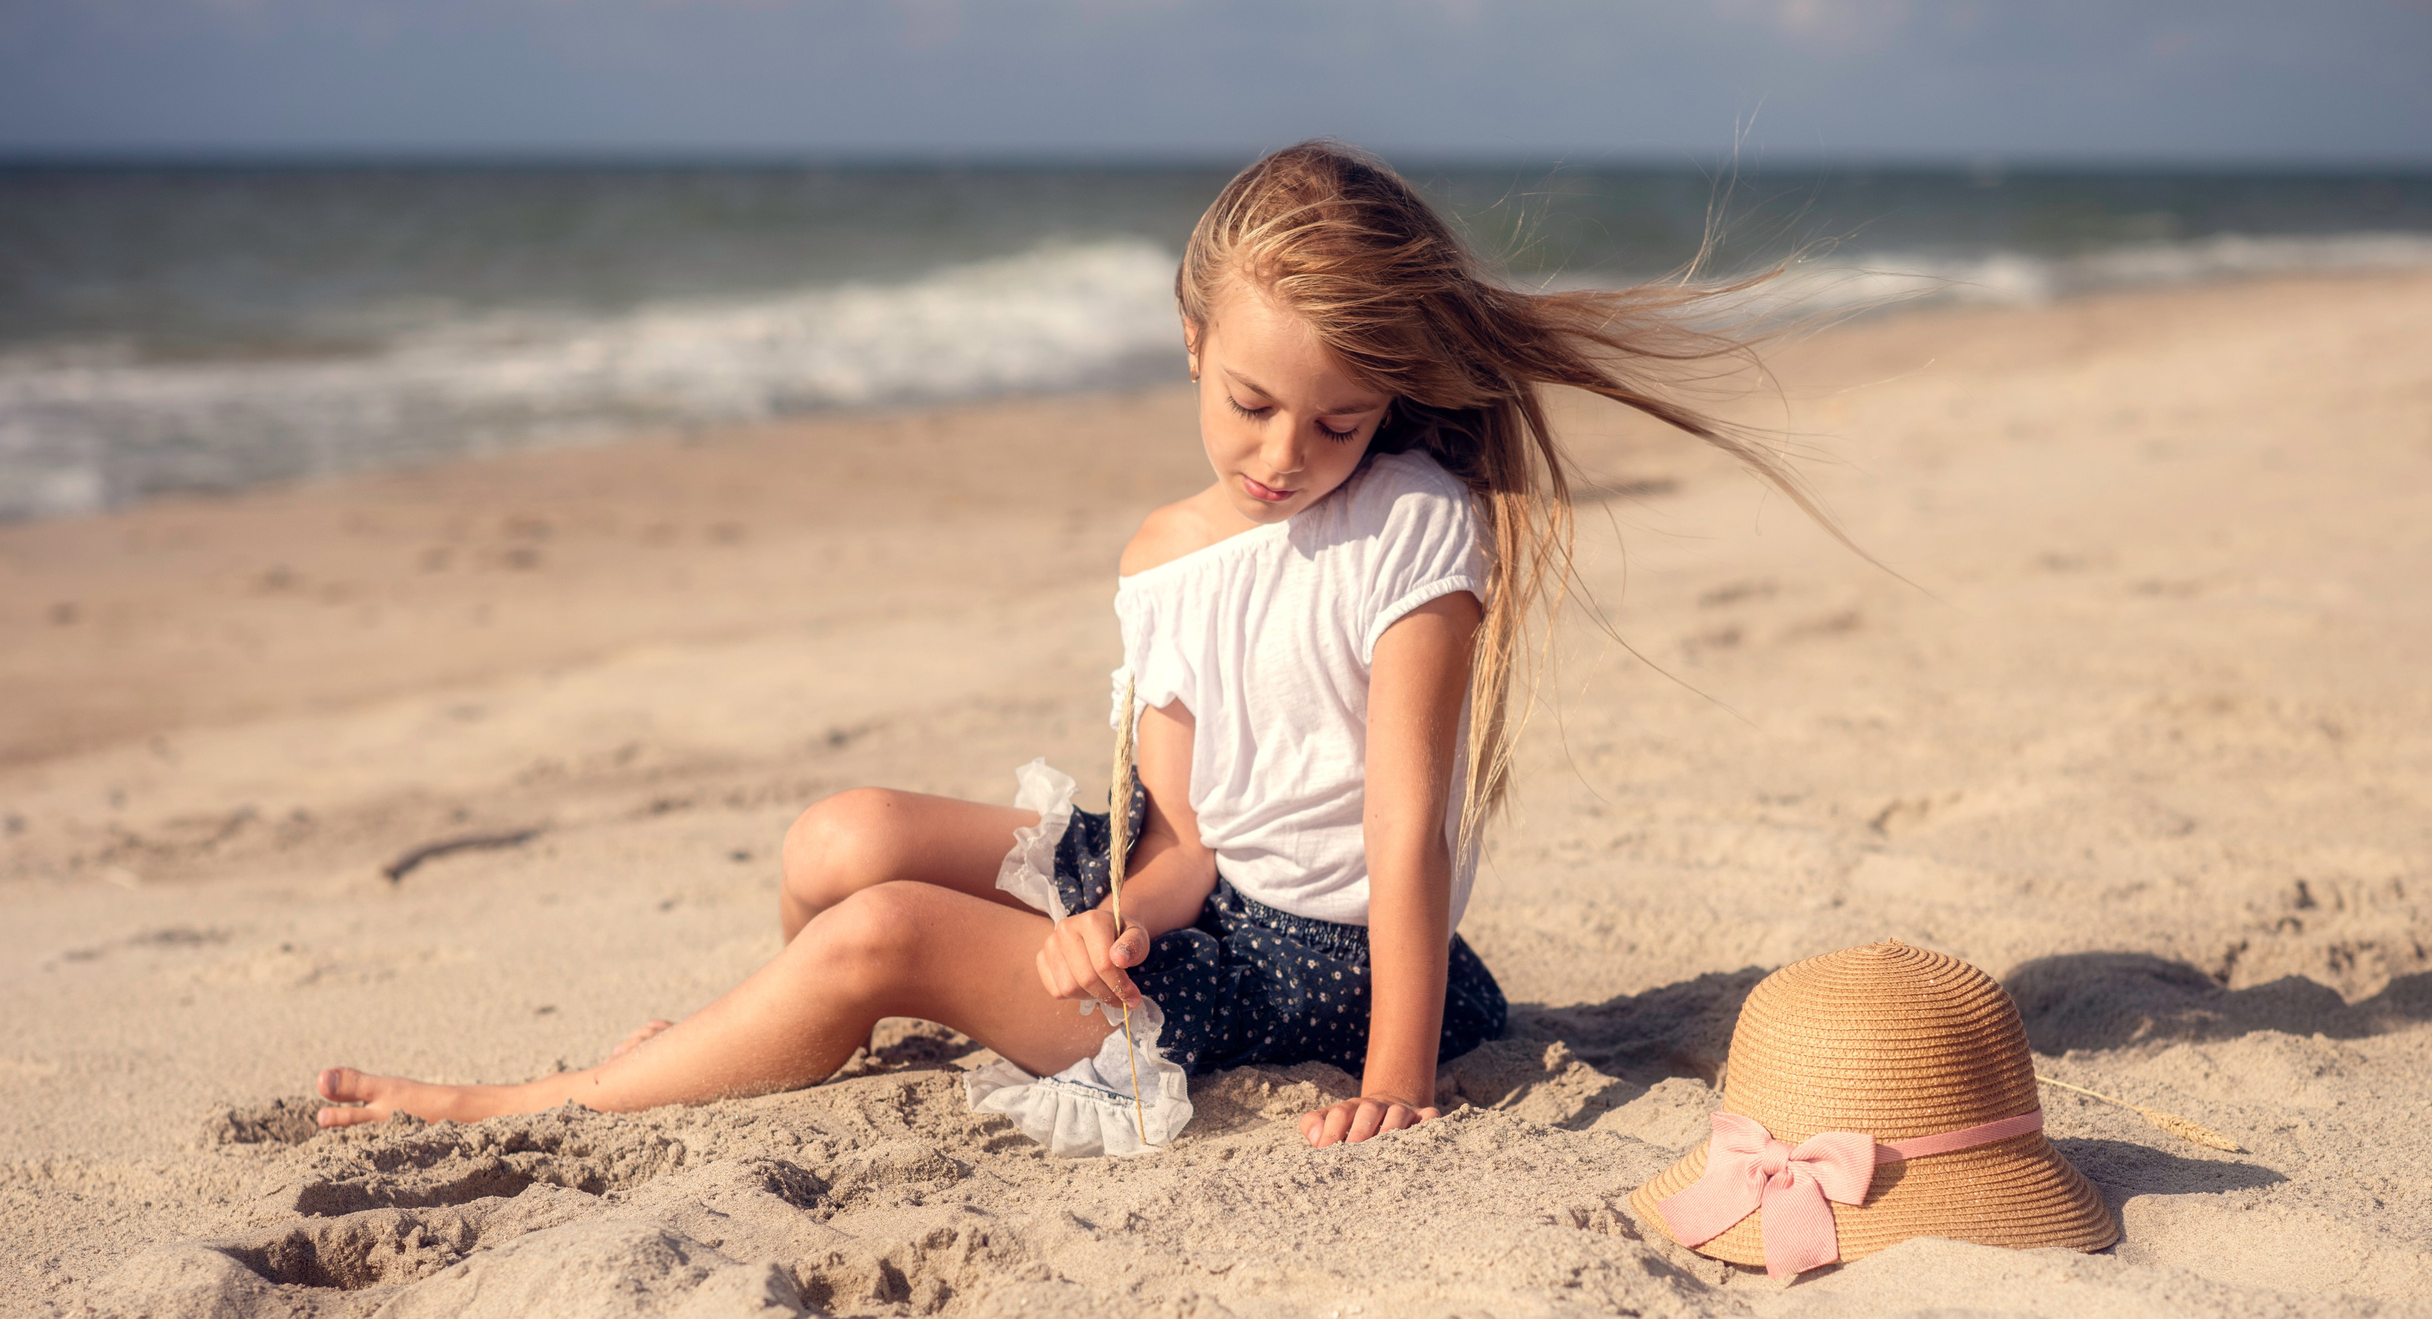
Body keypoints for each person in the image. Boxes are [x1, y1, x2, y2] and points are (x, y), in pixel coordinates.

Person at [316, 140, 1820, 1148]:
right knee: (840, 838)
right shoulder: (1160, 559)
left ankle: (558, 1091)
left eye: (1338, 422)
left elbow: (1405, 823)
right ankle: (760, 1033)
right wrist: (1123, 918)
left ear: (1388, 405)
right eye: (1251, 405)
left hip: (1336, 961)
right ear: (1191, 340)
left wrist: (1399, 1078)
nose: (1286, 455)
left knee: (884, 932)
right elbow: (1185, 839)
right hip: (1208, 896)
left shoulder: (1413, 523)